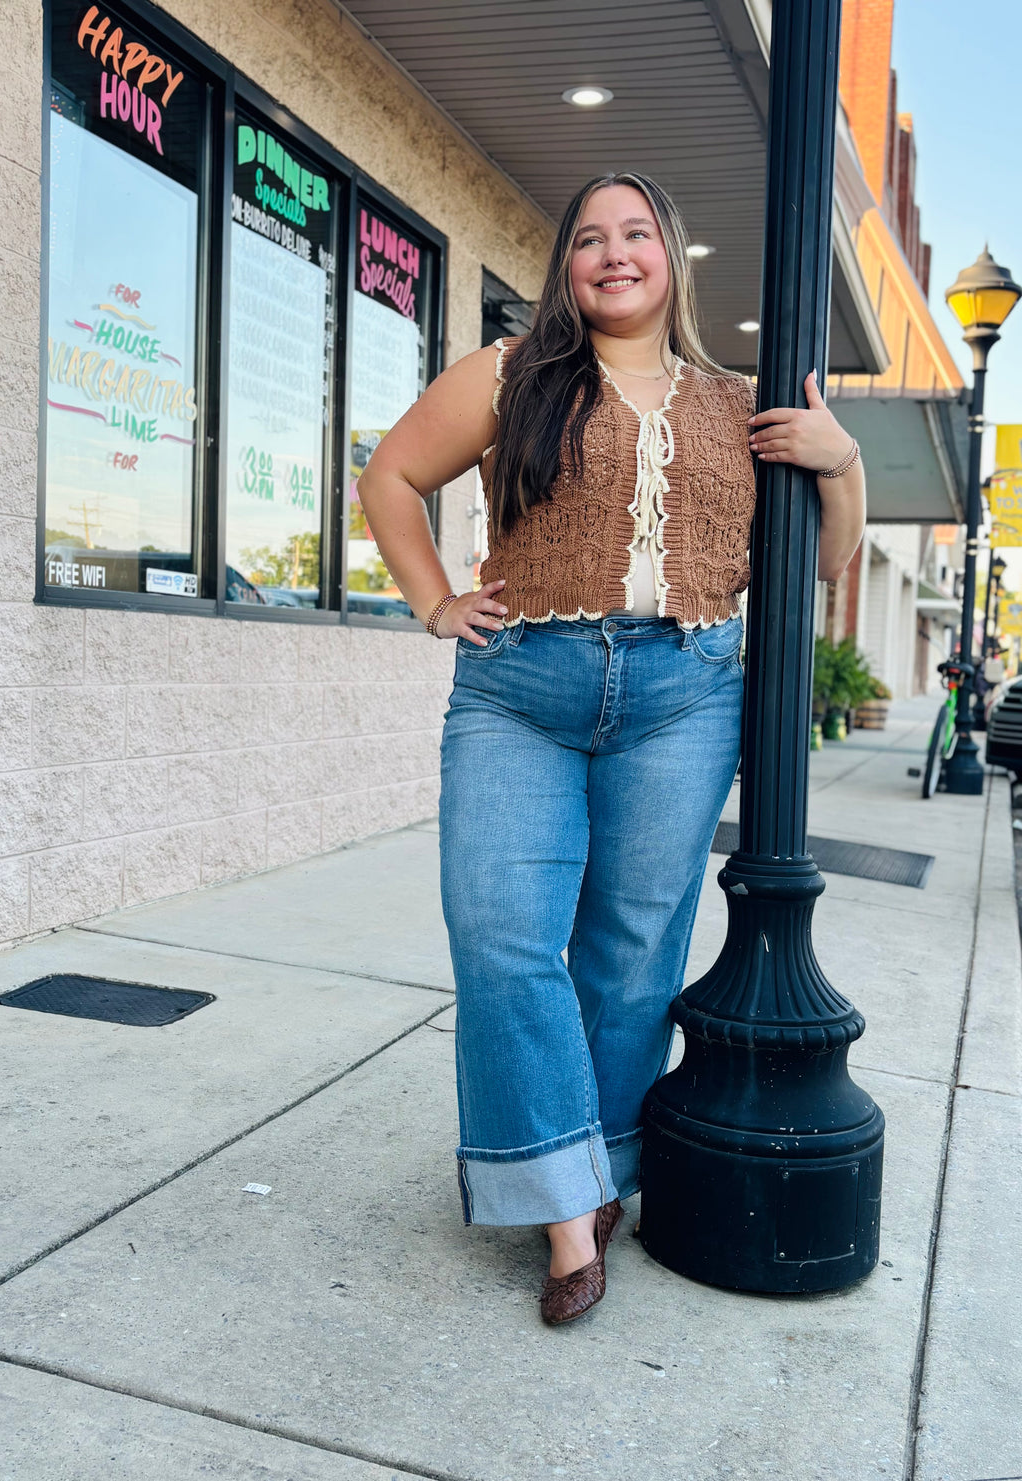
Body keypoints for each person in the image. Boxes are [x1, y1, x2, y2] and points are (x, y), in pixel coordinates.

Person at [357, 172, 866, 1325]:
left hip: (683, 693)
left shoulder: (737, 401)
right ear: (565, 267)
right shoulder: (509, 373)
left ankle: (593, 1186)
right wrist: (436, 600)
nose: (614, 253)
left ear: (671, 258)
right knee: (501, 936)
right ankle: (564, 1206)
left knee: (633, 949)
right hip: (517, 691)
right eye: (590, 238)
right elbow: (389, 475)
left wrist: (840, 460)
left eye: (636, 233)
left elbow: (825, 562)